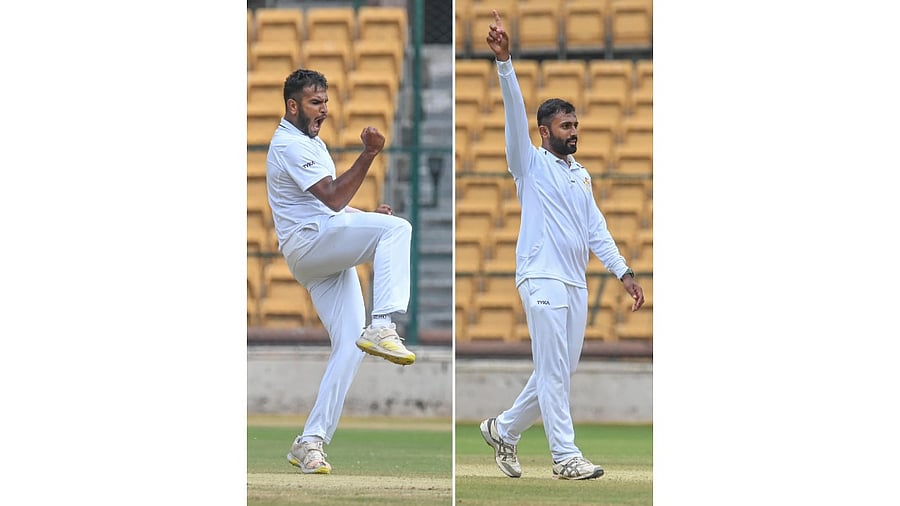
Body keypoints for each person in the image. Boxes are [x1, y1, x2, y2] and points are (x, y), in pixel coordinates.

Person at [478, 11, 645, 481]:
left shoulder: (580, 174)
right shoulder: (528, 164)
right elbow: (513, 115)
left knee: (557, 373)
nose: (573, 131)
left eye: (575, 124)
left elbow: (596, 229)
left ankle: (502, 429)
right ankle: (565, 457)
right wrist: (505, 63)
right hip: (541, 275)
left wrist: (624, 272)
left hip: (575, 283)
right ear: (544, 132)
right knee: (553, 373)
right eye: (564, 126)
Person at [266, 68, 416, 475]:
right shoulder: (290, 144)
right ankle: (383, 324)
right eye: (316, 103)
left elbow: (326, 205)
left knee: (350, 345)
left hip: (319, 248)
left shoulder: (309, 142)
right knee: (398, 230)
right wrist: (368, 154)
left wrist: (366, 215)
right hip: (313, 244)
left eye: (326, 102)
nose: (324, 110)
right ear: (293, 105)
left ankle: (310, 443)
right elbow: (331, 200)